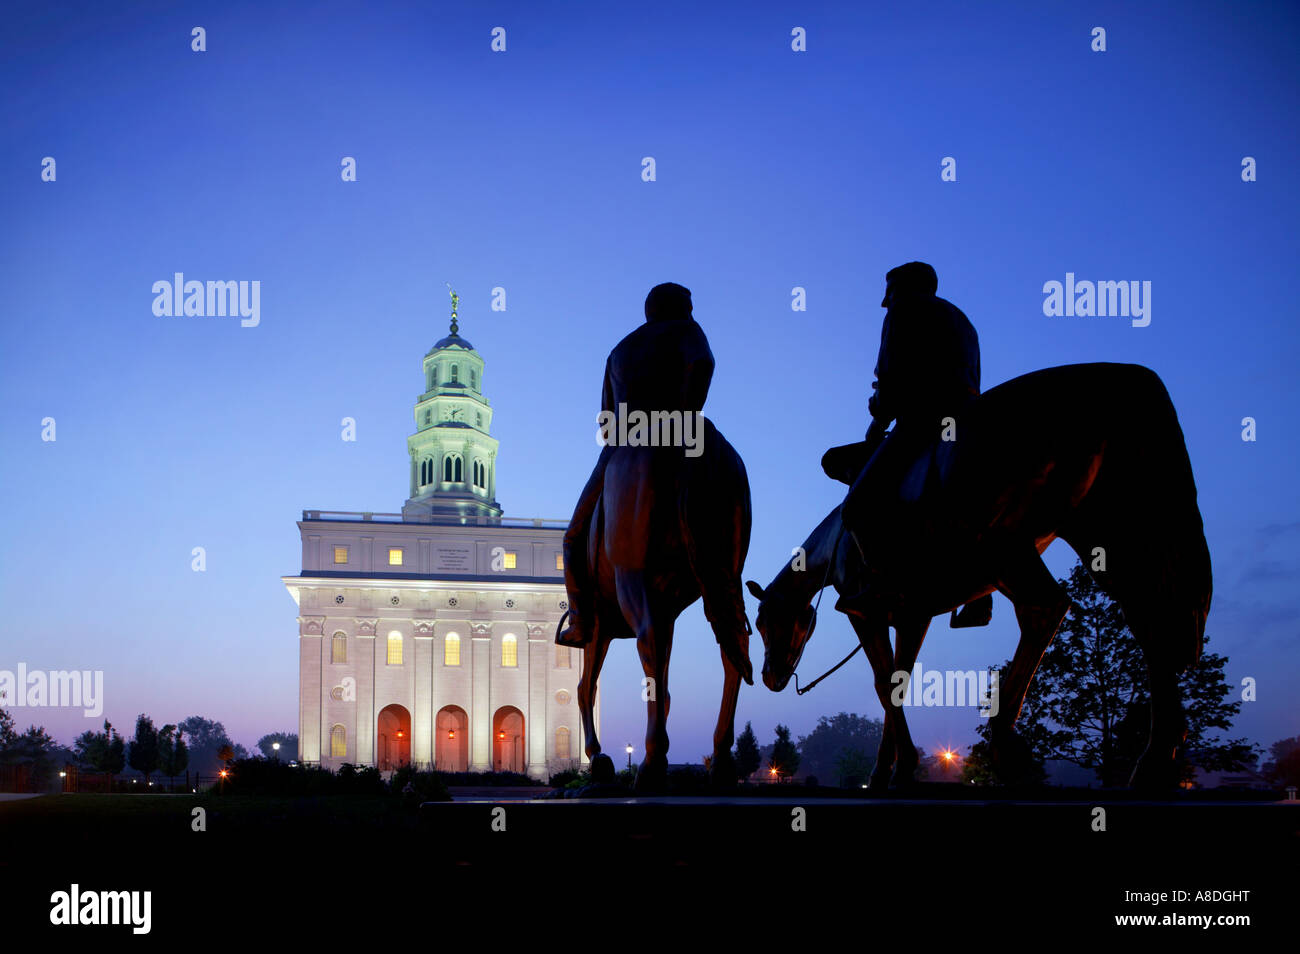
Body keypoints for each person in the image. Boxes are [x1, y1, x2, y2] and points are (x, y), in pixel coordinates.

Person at [829, 262, 992, 623]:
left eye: (888, 290)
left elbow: (889, 377)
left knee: (857, 508)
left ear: (901, 288)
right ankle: (982, 592)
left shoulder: (905, 310)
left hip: (924, 420)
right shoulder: (963, 320)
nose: (884, 302)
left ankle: (882, 586)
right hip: (969, 416)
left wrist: (878, 414)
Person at [556, 283, 715, 647]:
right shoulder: (687, 330)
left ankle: (581, 620)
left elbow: (606, 420)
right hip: (685, 434)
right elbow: (703, 363)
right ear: (682, 308)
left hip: (624, 446)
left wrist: (624, 440)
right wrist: (685, 418)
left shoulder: (620, 350)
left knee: (574, 537)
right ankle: (729, 598)